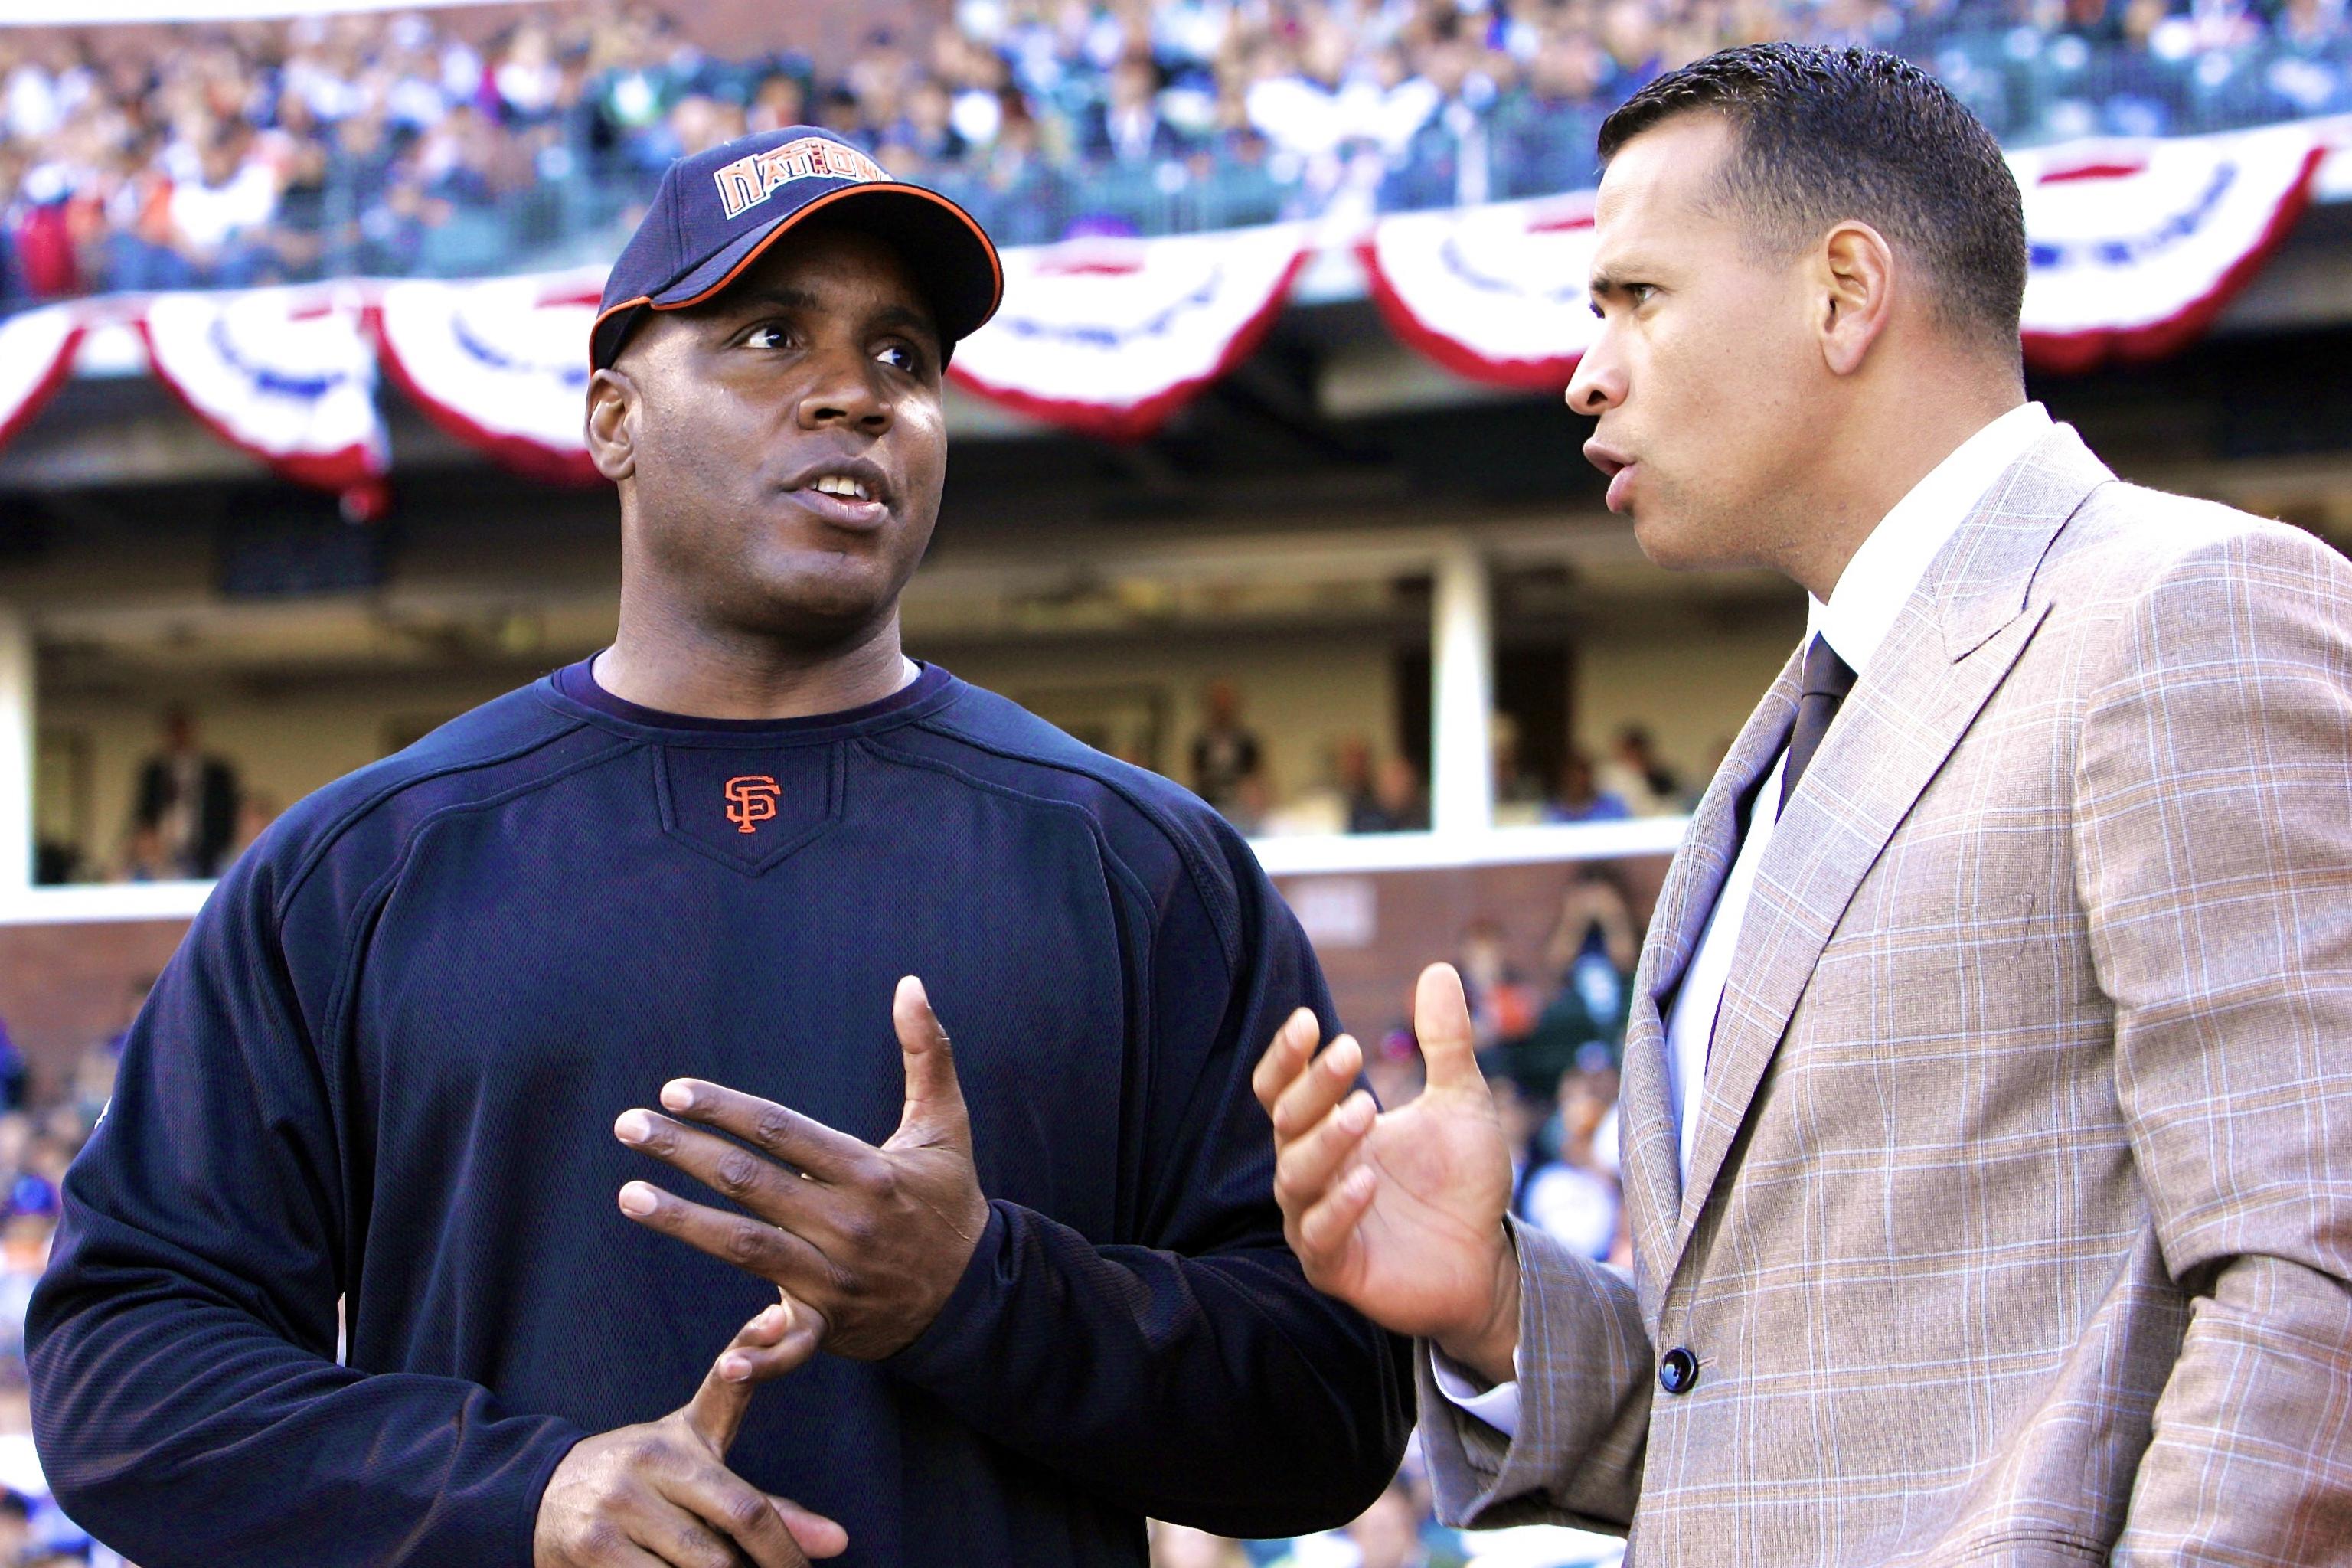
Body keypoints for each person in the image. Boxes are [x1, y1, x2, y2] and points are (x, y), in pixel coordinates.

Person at [30, 126, 1408, 1568]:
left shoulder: (1146, 867)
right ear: (614, 416)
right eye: (768, 334)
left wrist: (978, 1290)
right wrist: (523, 1491)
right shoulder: (360, 868)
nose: (853, 397)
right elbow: (124, 1372)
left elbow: (1333, 1410)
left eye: (903, 358)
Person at [1253, 44, 2352, 1564]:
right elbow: (1776, 1424)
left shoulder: (2184, 610)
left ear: (1845, 290)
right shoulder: (1789, 739)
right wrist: (1500, 1304)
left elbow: (2315, 1276)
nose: (1586, 370)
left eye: (1636, 297)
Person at [130, 707, 240, 878]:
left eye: (182, 731)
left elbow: (226, 816)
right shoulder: (154, 773)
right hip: (161, 860)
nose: (178, 737)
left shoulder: (216, 773)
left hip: (207, 857)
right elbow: (144, 814)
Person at [1187, 678, 1263, 816]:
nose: (1222, 711)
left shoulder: (1247, 742)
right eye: (1218, 706)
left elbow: (1257, 776)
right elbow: (1195, 777)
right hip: (1209, 803)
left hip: (1242, 805)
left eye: (1226, 706)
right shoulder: (1201, 744)